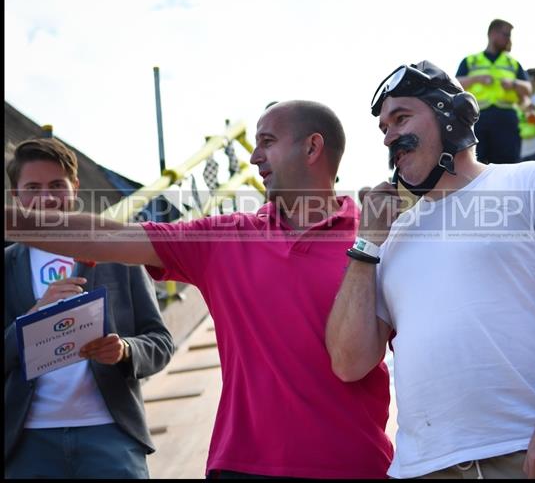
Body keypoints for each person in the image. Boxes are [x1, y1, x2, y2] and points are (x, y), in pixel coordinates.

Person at [5, 101, 393, 478]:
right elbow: (106, 234)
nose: (254, 157)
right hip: (244, 466)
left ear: (312, 147)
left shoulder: (382, 239)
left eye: (268, 141)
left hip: (356, 463)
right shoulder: (222, 238)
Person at [326, 61, 535, 479]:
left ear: (449, 115)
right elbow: (349, 362)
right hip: (420, 469)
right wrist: (367, 243)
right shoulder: (391, 235)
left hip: (529, 454)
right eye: (384, 128)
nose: (390, 136)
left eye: (402, 118)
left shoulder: (534, 182)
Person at [4, 137, 175, 478]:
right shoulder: (7, 266)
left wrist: (125, 350)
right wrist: (33, 318)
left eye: (56, 185)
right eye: (33, 187)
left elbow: (160, 341)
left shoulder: (120, 258)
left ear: (76, 186)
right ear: (15, 197)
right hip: (27, 444)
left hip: (112, 436)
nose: (46, 198)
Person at [456, 19, 532, 165]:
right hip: (476, 119)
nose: (509, 39)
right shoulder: (471, 61)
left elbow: (528, 88)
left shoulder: (513, 63)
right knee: (476, 164)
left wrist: (514, 83)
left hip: (506, 119)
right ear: (492, 33)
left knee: (509, 166)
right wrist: (477, 79)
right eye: (506, 34)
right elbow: (455, 84)